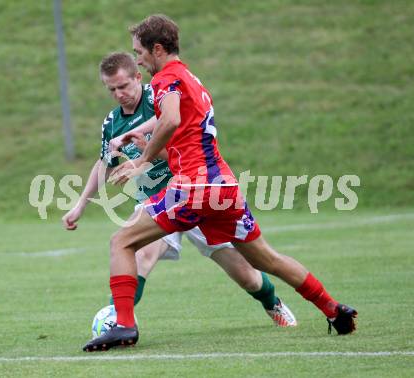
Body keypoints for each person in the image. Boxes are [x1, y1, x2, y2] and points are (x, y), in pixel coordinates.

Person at [83, 15, 357, 352]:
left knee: (122, 242)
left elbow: (170, 119)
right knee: (266, 260)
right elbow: (176, 118)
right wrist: (141, 134)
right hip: (222, 186)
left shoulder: (165, 79)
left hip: (192, 186)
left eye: (139, 51)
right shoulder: (191, 79)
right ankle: (333, 308)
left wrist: (140, 160)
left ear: (157, 49)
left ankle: (124, 325)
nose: (137, 57)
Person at [61, 52, 297, 334]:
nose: (118, 94)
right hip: (155, 203)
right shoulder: (112, 122)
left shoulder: (161, 98)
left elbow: (182, 146)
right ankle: (118, 321)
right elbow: (105, 163)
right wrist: (80, 205)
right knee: (139, 255)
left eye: (123, 86)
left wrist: (145, 153)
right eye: (111, 89)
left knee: (246, 276)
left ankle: (272, 303)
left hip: (193, 193)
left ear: (138, 76)